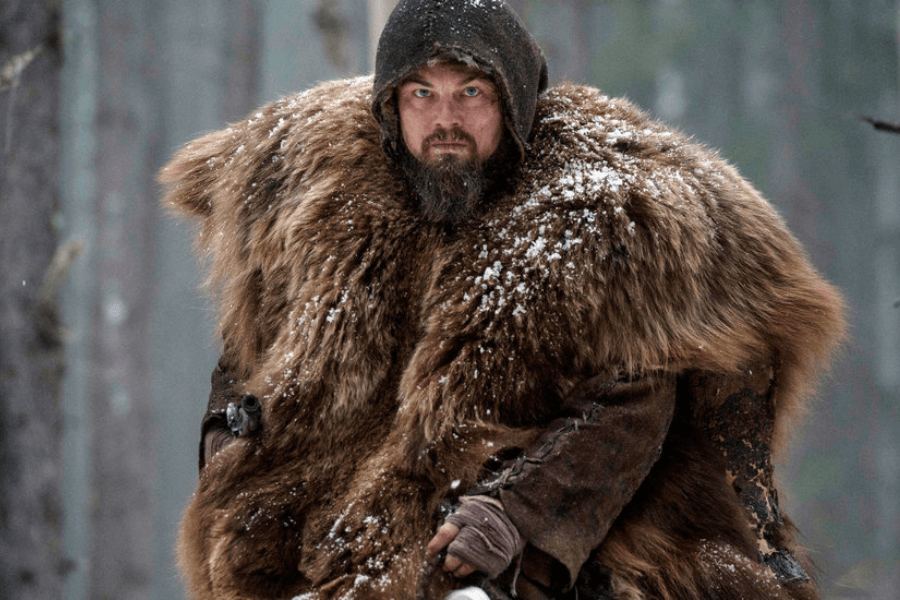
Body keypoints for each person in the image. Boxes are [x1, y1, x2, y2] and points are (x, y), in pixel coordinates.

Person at [159, 1, 845, 598]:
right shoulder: (331, 210)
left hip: (551, 550)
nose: (445, 120)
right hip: (333, 545)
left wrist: (513, 519)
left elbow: (635, 403)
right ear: (392, 109)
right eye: (421, 94)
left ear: (513, 100)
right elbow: (250, 353)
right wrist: (226, 442)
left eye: (472, 92)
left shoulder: (590, 216)